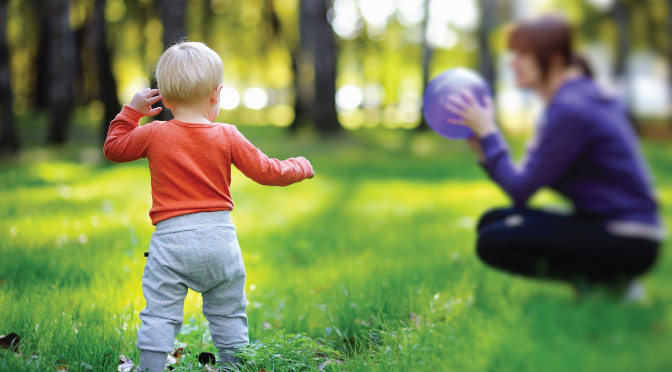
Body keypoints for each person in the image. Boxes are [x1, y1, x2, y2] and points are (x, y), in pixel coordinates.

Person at [103, 41, 315, 372]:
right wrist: (299, 166)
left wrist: (132, 112)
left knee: (160, 313)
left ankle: (151, 368)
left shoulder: (154, 134)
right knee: (229, 312)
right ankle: (234, 366)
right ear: (216, 94)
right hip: (220, 241)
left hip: (172, 242)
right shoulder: (227, 134)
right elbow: (268, 172)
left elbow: (114, 148)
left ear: (166, 99)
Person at [445, 14, 663, 294]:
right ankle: (607, 280)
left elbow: (521, 189)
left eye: (523, 54)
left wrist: (489, 132)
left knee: (494, 241)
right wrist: (484, 147)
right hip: (621, 231)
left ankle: (607, 283)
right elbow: (523, 184)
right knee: (494, 221)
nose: (513, 62)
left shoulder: (571, 109)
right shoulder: (578, 97)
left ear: (555, 58)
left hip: (628, 237)